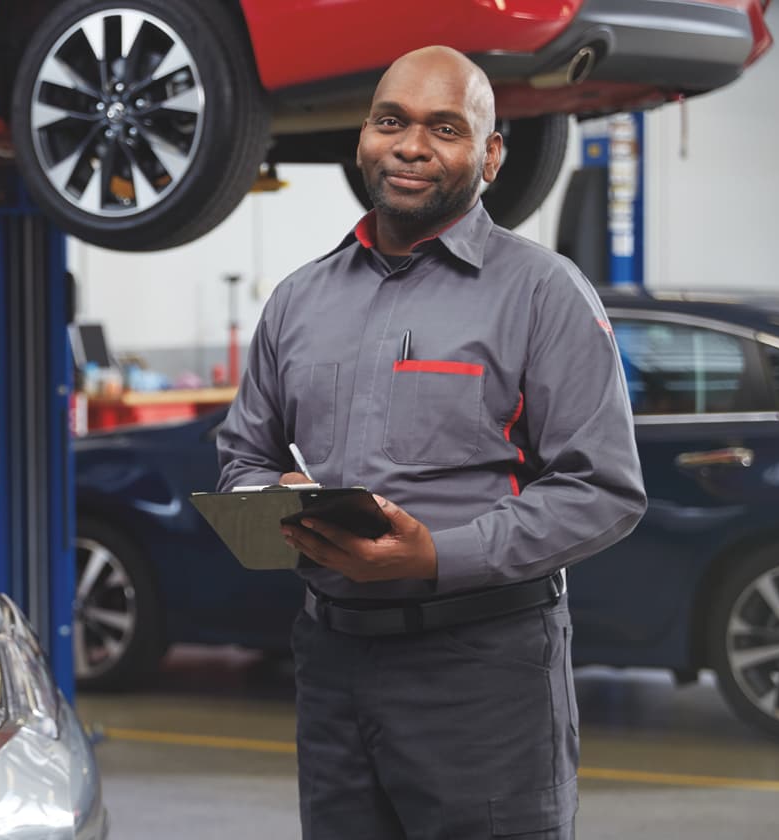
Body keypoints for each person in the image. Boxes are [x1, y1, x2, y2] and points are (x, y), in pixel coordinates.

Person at [216, 46, 647, 839]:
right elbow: (242, 455)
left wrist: (438, 557)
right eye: (392, 122)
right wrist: (269, 501)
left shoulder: (542, 293)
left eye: (444, 129)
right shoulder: (298, 300)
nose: (411, 146)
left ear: (489, 156)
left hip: (482, 669)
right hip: (332, 660)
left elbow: (603, 490)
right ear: (364, 138)